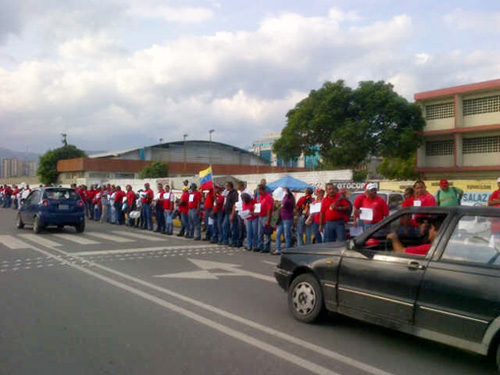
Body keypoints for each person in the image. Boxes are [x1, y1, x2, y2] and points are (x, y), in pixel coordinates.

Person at [274, 187, 295, 255]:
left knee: (287, 234)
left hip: (287, 218)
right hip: (281, 218)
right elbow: (280, 205)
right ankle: (278, 249)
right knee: (278, 234)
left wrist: (285, 194)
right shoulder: (284, 197)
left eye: (284, 189)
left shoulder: (289, 199)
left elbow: (285, 203)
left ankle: (287, 249)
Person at [256, 184, 273, 253]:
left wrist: (268, 219)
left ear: (262, 190)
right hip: (260, 216)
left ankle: (267, 247)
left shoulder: (268, 197)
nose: (257, 191)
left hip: (266, 216)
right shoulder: (260, 197)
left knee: (267, 232)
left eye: (258, 190)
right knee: (260, 232)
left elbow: (269, 209)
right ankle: (260, 246)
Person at [222, 181, 238, 246]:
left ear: (229, 186)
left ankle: (234, 241)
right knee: (224, 226)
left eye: (226, 186)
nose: (225, 187)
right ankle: (225, 240)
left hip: (231, 212)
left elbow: (235, 204)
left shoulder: (234, 193)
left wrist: (232, 214)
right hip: (227, 212)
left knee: (233, 228)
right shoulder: (229, 193)